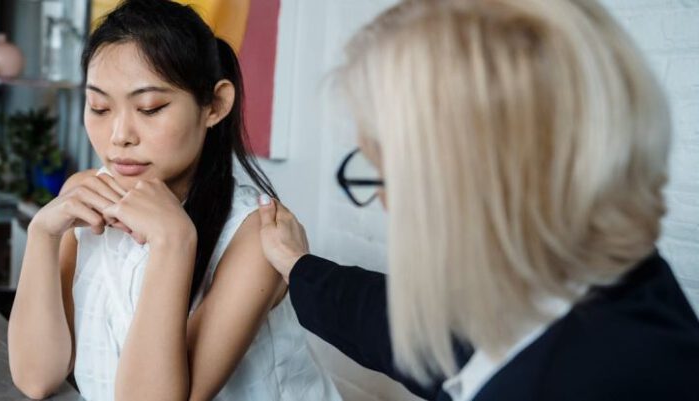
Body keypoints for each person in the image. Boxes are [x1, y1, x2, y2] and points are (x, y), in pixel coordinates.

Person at [257, 0, 699, 400]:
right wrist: (299, 267)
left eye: (386, 172)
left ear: (469, 182)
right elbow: (411, 329)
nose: (384, 202)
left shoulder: (600, 378)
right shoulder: (590, 285)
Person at [7, 1, 341, 401]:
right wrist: (43, 234)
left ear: (214, 105)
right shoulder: (85, 195)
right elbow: (36, 377)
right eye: (99, 106)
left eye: (150, 108)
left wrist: (174, 242)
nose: (119, 135)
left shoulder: (256, 235)